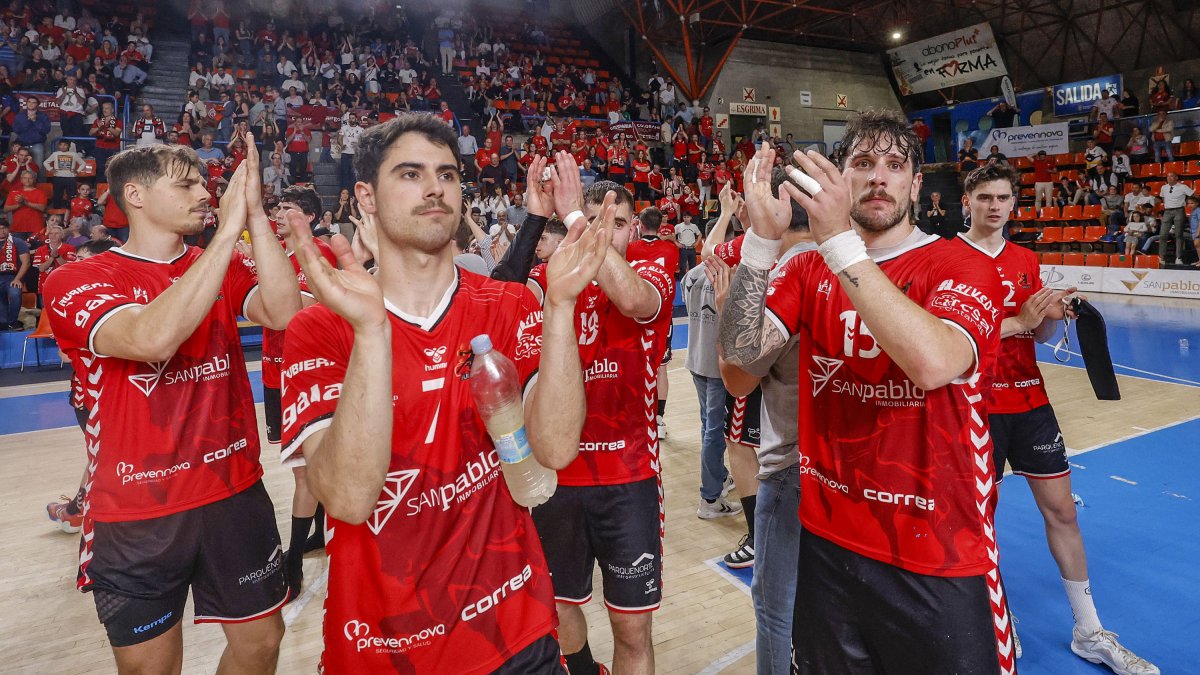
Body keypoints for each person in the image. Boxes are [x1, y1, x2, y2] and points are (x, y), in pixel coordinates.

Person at [279, 113, 608, 672]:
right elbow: (350, 498)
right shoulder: (321, 329)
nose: (435, 188)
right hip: (383, 647)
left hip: (515, 626)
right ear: (366, 196)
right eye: (410, 173)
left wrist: (560, 306)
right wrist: (372, 330)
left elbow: (554, 451)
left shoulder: (509, 305)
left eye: (448, 175)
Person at [719, 111, 1014, 673]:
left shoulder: (962, 266)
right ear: (841, 178)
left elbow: (932, 364)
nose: (879, 177)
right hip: (828, 542)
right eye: (863, 163)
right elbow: (737, 372)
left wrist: (837, 243)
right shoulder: (806, 269)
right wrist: (760, 242)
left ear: (916, 185)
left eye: (895, 165)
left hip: (936, 553)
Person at [42, 137, 303, 673]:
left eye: (205, 184)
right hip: (137, 511)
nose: (204, 194)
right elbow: (149, 338)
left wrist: (252, 211)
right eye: (185, 184)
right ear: (134, 195)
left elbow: (283, 311)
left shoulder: (218, 266)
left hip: (233, 492)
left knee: (263, 645)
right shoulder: (78, 277)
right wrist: (228, 232)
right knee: (151, 669)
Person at [956, 163, 1160, 675]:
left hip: (1030, 403)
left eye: (1003, 197)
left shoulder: (1026, 259)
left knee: (1063, 513)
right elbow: (943, 342)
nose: (995, 206)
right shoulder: (945, 259)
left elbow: (1039, 340)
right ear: (967, 201)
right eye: (985, 197)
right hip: (973, 405)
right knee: (978, 522)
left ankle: (1089, 630)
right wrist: (1020, 319)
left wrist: (1051, 316)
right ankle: (995, 616)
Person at [525, 155, 675, 675]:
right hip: (557, 478)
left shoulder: (655, 268)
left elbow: (633, 299)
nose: (606, 232)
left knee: (632, 629)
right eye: (596, 220)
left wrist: (575, 221)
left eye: (617, 222)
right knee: (561, 607)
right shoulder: (552, 280)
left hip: (628, 480)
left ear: (634, 227)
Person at [714, 166, 816, 675]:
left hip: (791, 466)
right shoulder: (855, 269)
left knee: (773, 609)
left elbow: (736, 373)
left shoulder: (785, 276)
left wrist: (728, 302)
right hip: (850, 468)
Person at [255, 184, 338, 601]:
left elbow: (309, 308)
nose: (277, 214)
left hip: (312, 373)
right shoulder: (275, 257)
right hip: (275, 371)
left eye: (285, 208)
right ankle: (319, 532)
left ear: (307, 216)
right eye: (276, 208)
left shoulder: (319, 253)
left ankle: (293, 561)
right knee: (303, 463)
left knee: (304, 468)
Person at [0, 221, 31, 329]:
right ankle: (5, 323)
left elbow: (26, 262)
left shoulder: (17, 242)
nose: (1, 231)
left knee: (15, 293)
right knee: (3, 321)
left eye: (3, 228)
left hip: (13, 276)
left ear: (8, 229)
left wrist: (17, 279)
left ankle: (13, 322)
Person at [1158, 172, 1194, 264]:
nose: (1169, 178)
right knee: (1163, 235)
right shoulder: (1164, 187)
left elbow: (1194, 196)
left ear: (1176, 177)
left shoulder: (1183, 187)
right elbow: (1163, 199)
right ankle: (1161, 258)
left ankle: (1178, 257)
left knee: (1178, 235)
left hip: (1179, 210)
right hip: (1167, 211)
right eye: (1168, 176)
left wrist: (1186, 203)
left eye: (1171, 176)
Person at [43, 139, 86, 208]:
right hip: (58, 177)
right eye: (61, 145)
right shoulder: (55, 154)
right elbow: (45, 162)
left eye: (65, 145)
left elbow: (83, 163)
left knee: (72, 195)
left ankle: (72, 209)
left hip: (71, 177)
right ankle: (57, 209)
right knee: (57, 195)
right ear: (58, 146)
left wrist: (77, 171)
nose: (63, 146)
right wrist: (51, 169)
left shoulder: (74, 154)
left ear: (69, 146)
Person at [4, 170, 48, 239]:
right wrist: (19, 205)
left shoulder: (40, 193)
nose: (27, 180)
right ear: (21, 179)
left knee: (36, 249)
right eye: (25, 178)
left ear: (34, 180)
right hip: (17, 228)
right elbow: (6, 209)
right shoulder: (13, 193)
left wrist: (25, 202)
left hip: (36, 228)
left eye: (30, 178)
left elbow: (42, 208)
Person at [675, 211, 701, 277]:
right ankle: (682, 282)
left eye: (688, 217)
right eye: (685, 217)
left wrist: (697, 243)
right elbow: (672, 235)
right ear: (683, 218)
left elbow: (700, 234)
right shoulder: (678, 226)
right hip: (683, 249)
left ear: (691, 218)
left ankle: (691, 282)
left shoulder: (694, 226)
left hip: (692, 249)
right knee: (682, 267)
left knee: (693, 267)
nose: (686, 218)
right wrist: (676, 243)